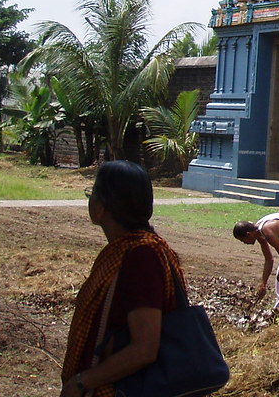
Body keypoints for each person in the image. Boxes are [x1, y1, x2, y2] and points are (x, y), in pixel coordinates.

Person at [60, 161, 185, 397]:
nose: (91, 199)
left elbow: (144, 348)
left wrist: (81, 381)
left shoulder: (142, 257)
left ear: (101, 208)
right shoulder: (126, 250)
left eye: (92, 192)